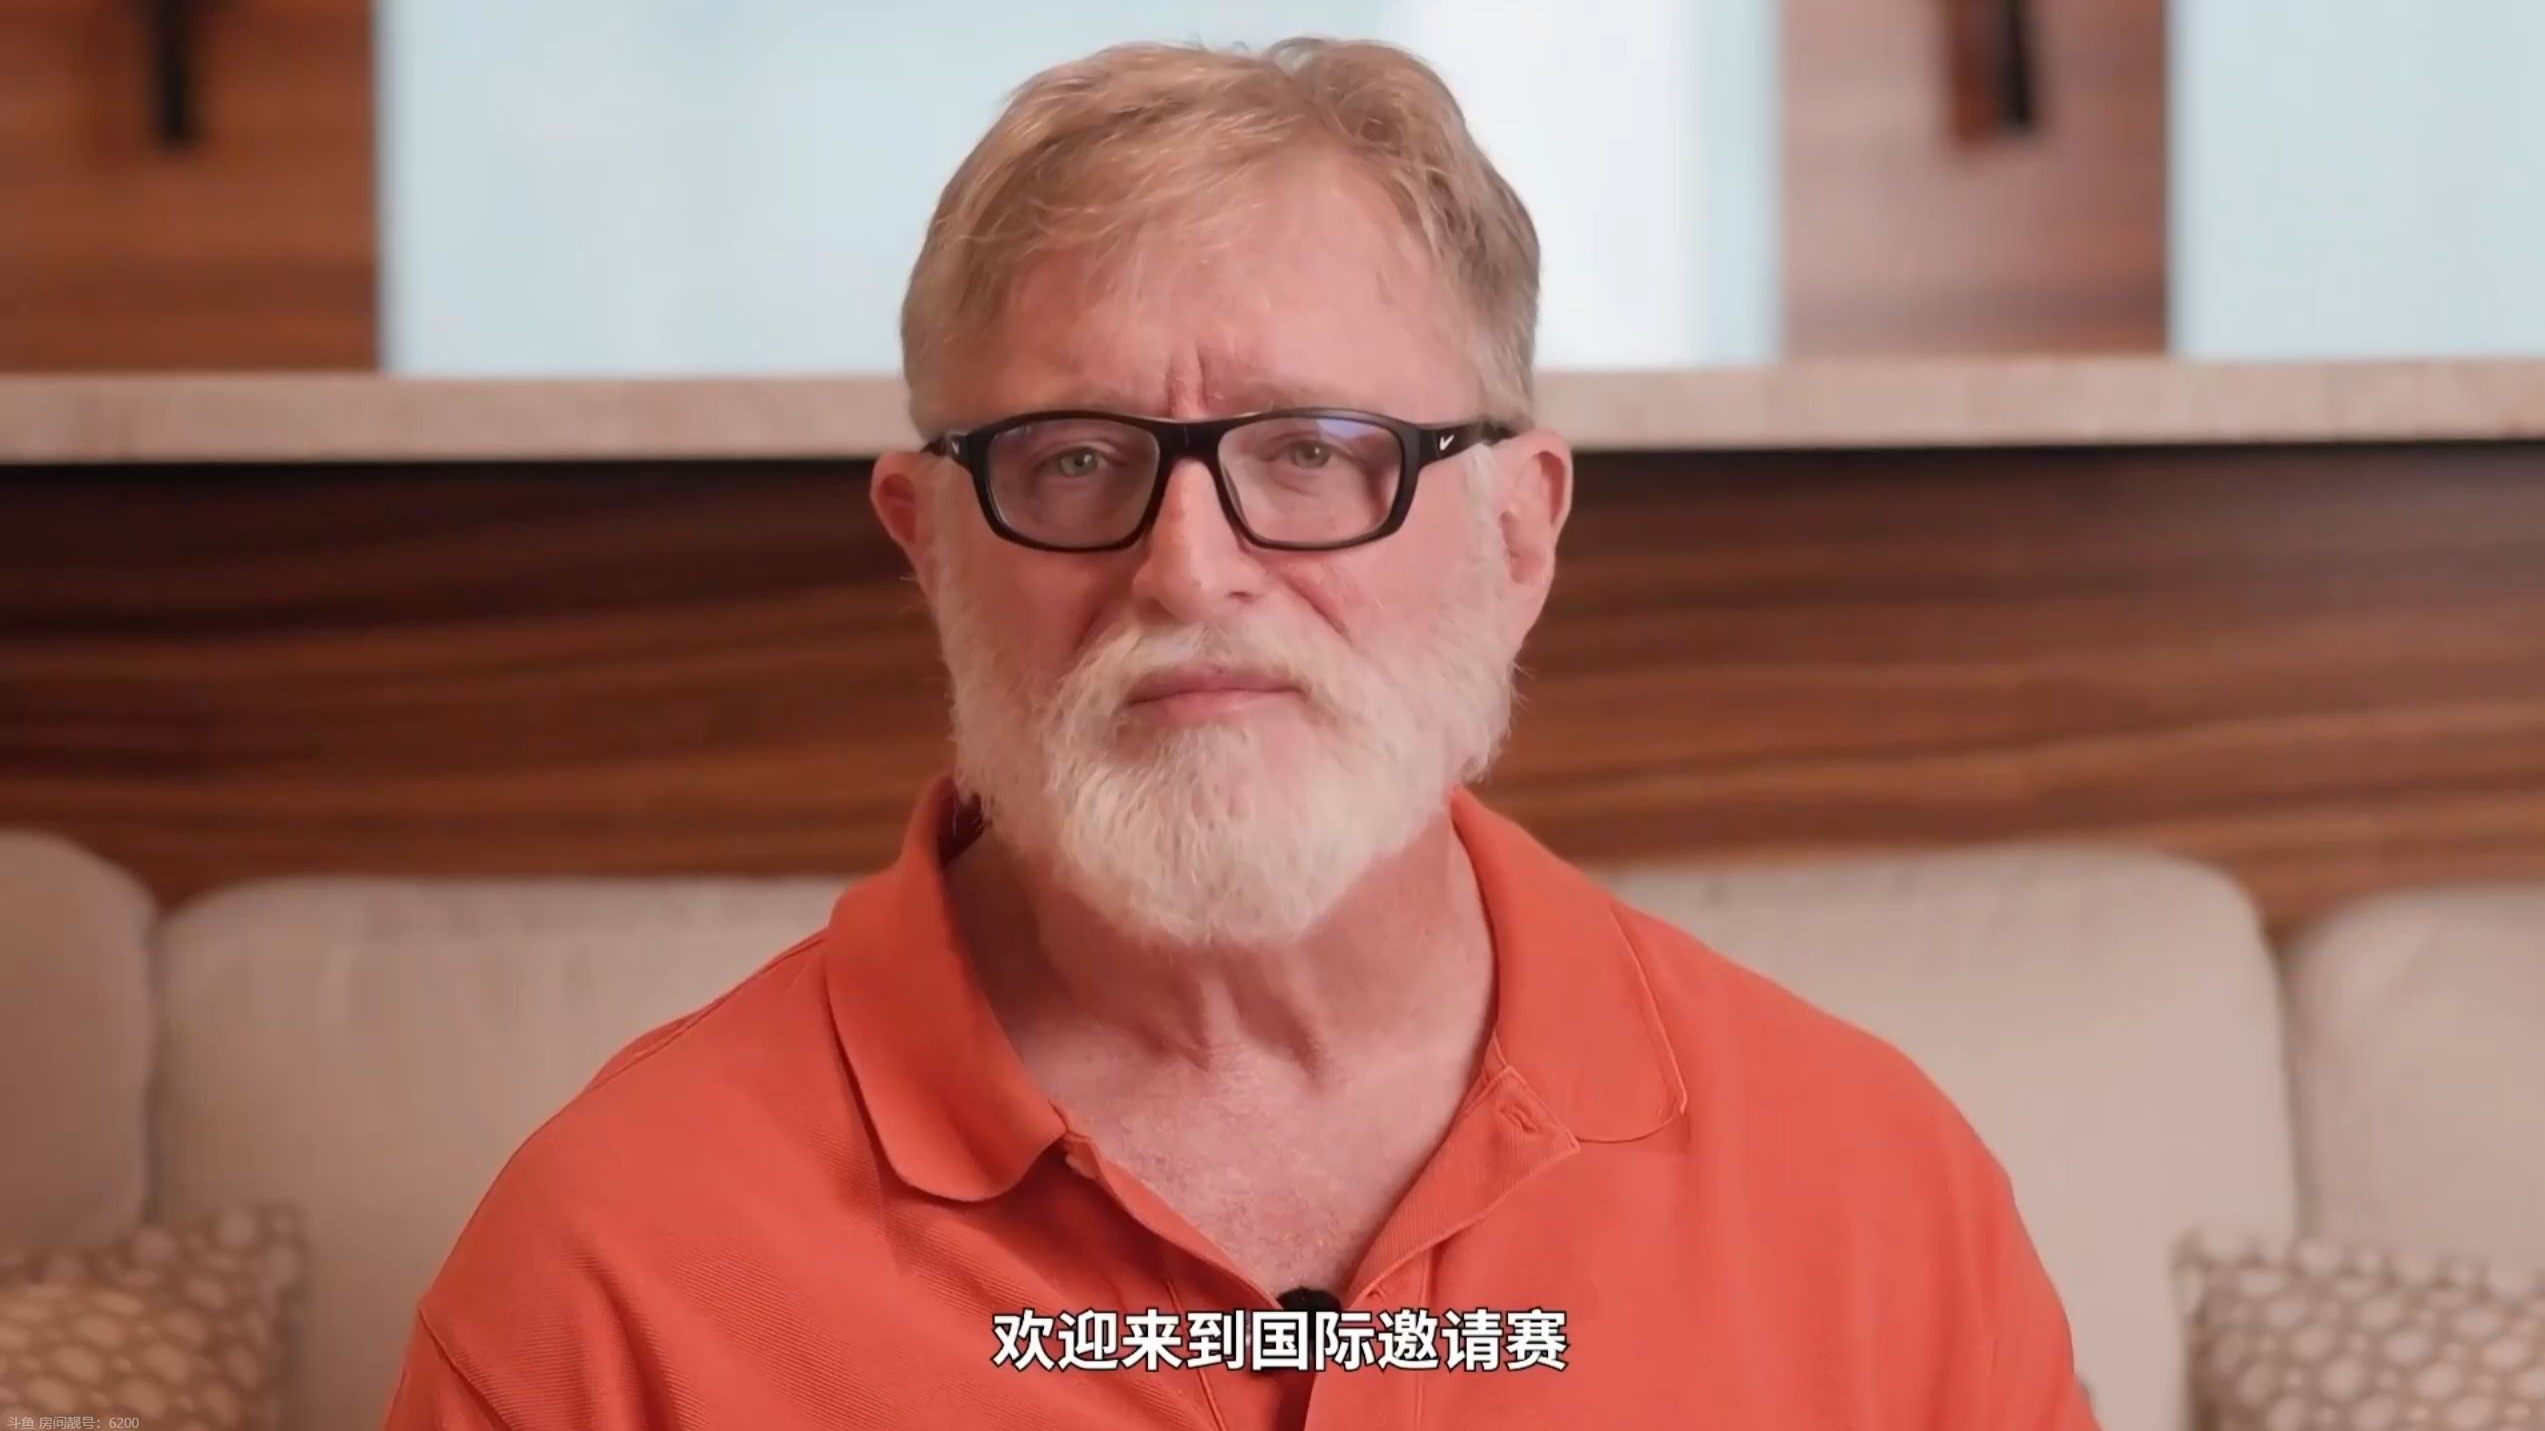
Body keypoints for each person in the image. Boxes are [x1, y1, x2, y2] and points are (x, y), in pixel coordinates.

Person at [382, 37, 2099, 1430]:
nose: (1188, 568)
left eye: (1313, 453)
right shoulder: (611, 1265)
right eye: (1072, 460)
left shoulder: (1872, 1196)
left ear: (1516, 538)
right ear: (929, 546)